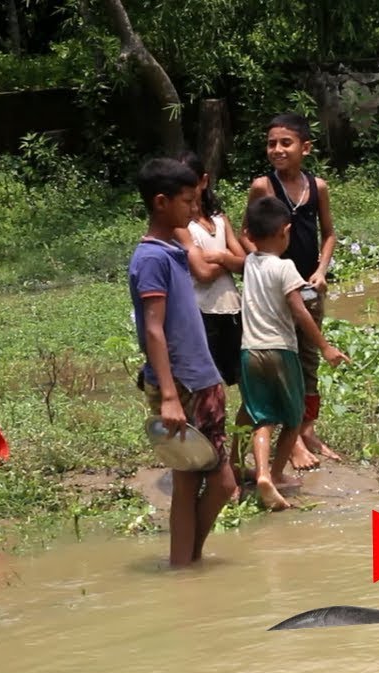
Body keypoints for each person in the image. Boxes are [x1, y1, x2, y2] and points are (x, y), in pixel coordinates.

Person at [128, 157, 236, 567]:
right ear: (161, 202)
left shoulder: (170, 251)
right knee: (212, 483)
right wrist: (170, 396)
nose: (195, 208)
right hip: (184, 384)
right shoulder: (152, 258)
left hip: (198, 377)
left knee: (200, 482)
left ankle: (188, 565)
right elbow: (154, 330)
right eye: (188, 201)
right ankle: (185, 564)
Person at [243, 112, 340, 471]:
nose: (278, 149)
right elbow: (246, 233)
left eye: (286, 143)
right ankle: (294, 439)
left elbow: (328, 233)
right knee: (285, 359)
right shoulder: (262, 187)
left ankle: (307, 428)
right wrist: (262, 265)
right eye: (272, 143)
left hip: (309, 287)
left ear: (306, 147)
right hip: (276, 291)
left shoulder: (319, 187)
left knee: (309, 358)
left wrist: (320, 271)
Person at [239, 196, 348, 510]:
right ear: (285, 231)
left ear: (249, 234)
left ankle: (260, 474)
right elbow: (301, 311)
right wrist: (326, 347)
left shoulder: (249, 263)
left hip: (250, 352)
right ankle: (274, 476)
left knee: (262, 418)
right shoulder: (285, 267)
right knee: (292, 419)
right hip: (281, 351)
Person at [175, 151, 245, 388]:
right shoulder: (181, 227)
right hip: (202, 312)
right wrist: (228, 261)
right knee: (209, 385)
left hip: (232, 309)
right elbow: (202, 274)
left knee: (242, 376)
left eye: (190, 183)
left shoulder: (219, 219)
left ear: (203, 182)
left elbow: (244, 261)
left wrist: (219, 257)